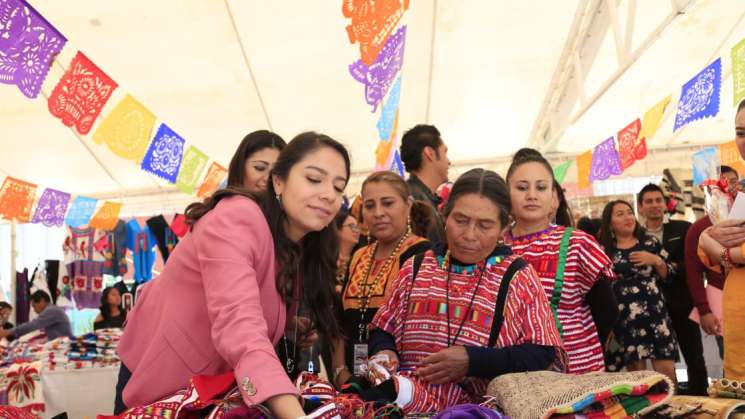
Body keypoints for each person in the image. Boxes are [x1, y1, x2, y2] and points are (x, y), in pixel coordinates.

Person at [115, 132, 350, 419]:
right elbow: (239, 323)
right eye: (314, 179)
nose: (329, 194)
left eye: (339, 188)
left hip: (212, 388)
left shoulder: (292, 245)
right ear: (279, 181)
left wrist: (286, 325)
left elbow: (253, 306)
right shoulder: (237, 217)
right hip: (164, 373)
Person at [367, 169, 564, 414]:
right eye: (460, 220)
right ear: (445, 215)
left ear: (504, 227)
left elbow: (541, 353)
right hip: (402, 405)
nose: (469, 235)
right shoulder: (416, 267)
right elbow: (382, 328)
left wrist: (472, 361)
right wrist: (384, 351)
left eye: (485, 225)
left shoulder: (517, 277)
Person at [504, 148, 617, 374]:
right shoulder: (495, 247)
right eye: (522, 187)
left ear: (553, 195)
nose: (532, 195)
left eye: (541, 187)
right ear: (506, 194)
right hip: (515, 374)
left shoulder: (577, 243)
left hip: (576, 369)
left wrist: (588, 347)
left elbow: (607, 309)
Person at [331, 171, 431, 389]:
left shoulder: (423, 254)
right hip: (351, 379)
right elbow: (339, 322)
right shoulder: (359, 256)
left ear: (408, 205)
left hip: (399, 382)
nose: (378, 213)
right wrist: (339, 370)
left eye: (387, 203)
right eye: (369, 206)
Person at [637, 182, 706, 394]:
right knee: (662, 360)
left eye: (658, 200)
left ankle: (701, 394)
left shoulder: (683, 228)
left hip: (682, 304)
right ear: (640, 207)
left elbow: (693, 265)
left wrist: (666, 265)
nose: (654, 205)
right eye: (649, 201)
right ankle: (669, 400)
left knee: (693, 355)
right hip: (651, 309)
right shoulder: (636, 236)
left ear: (665, 204)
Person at [598, 200, 678, 384]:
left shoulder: (650, 242)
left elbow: (670, 275)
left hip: (655, 315)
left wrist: (656, 260)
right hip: (625, 318)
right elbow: (600, 288)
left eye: (629, 212)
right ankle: (646, 411)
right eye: (620, 214)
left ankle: (671, 408)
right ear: (610, 223)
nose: (627, 217)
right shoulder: (604, 251)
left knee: (667, 373)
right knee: (637, 377)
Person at [697, 100, 745, 381]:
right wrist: (706, 237)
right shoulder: (737, 191)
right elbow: (709, 252)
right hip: (738, 329)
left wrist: (728, 254)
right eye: (741, 132)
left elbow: (724, 252)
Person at [686, 165, 738, 359]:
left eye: (732, 182)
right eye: (720, 184)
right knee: (732, 360)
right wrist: (704, 310)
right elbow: (693, 273)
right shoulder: (698, 229)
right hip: (721, 300)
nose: (727, 188)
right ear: (709, 191)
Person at [400, 124, 450, 244]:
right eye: (445, 152)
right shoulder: (414, 201)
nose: (449, 161)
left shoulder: (420, 197)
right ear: (430, 153)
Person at [0, 291, 72, 340]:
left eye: (34, 306)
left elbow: (32, 325)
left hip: (62, 345)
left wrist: (8, 332)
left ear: (42, 301)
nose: (34, 310)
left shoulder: (51, 311)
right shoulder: (52, 309)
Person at [334, 208, 361, 294]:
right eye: (352, 226)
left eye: (357, 227)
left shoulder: (361, 260)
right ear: (338, 230)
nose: (357, 231)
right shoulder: (325, 258)